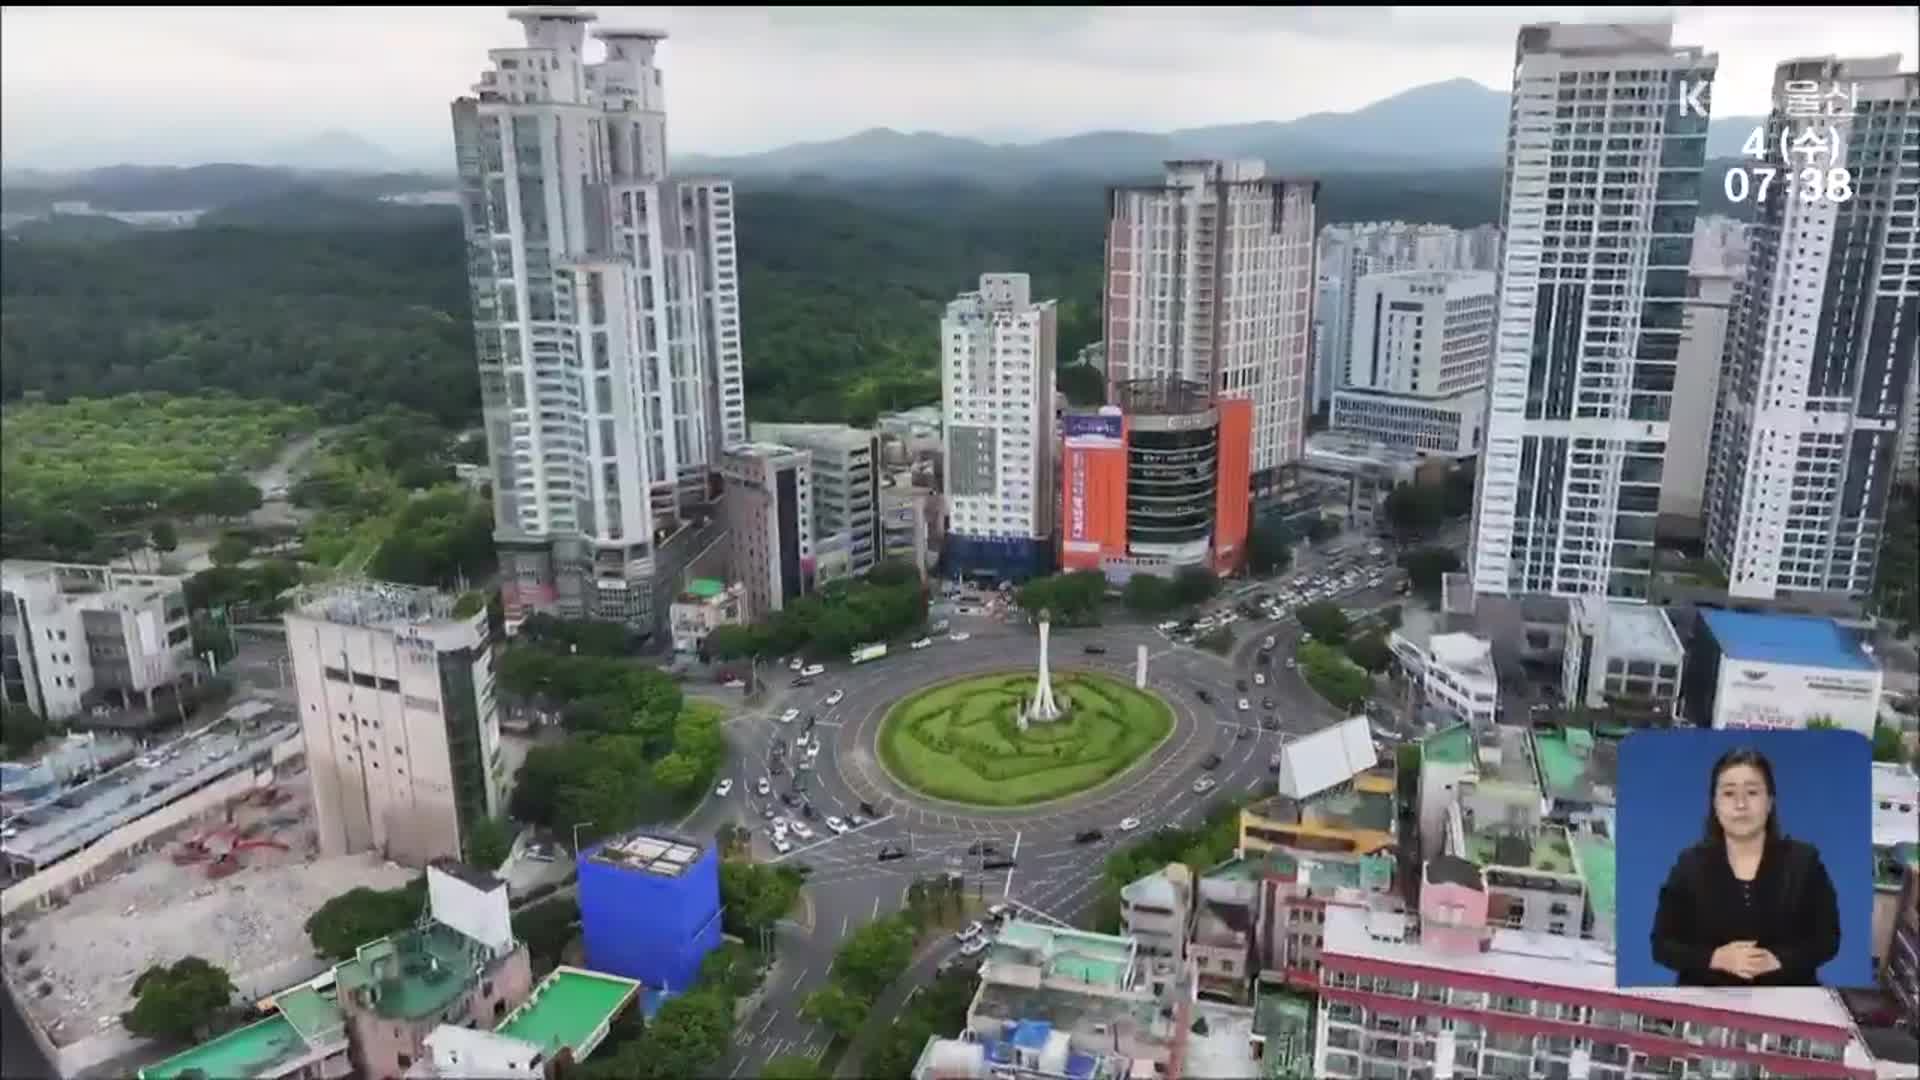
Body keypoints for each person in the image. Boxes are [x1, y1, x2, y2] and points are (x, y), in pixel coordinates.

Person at [1650, 747, 1841, 986]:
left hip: (1786, 1002)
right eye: (1729, 794)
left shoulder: (1804, 862)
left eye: (1752, 792)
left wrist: (1779, 959)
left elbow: (1828, 940)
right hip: (1707, 1003)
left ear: (1770, 802)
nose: (1740, 804)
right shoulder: (1689, 865)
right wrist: (1715, 958)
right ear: (1715, 804)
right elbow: (1662, 946)